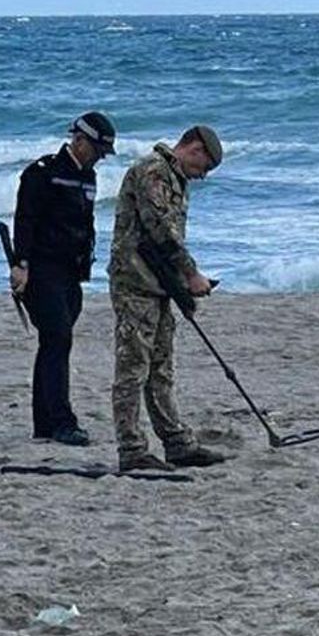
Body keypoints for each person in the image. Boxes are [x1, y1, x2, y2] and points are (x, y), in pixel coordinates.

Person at [108, 125, 230, 471]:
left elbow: (167, 238)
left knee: (161, 368)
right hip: (135, 284)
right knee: (133, 369)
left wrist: (180, 282)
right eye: (203, 167)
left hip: (159, 284)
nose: (202, 176)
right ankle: (132, 450)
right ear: (193, 148)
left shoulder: (174, 179)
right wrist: (191, 275)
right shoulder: (153, 172)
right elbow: (160, 230)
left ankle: (177, 443)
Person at [9, 111, 116, 446]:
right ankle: (61, 421)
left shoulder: (88, 177)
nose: (99, 158)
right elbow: (25, 221)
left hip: (72, 273)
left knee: (53, 343)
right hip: (42, 270)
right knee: (59, 339)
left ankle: (43, 423)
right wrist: (20, 265)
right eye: (97, 150)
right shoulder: (42, 173)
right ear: (79, 140)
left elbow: (86, 225)